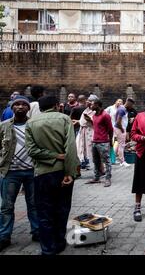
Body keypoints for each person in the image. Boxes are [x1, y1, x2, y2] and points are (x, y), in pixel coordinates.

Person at [25, 95, 79, 255]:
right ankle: (60, 242)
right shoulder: (64, 119)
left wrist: (50, 155)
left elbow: (32, 151)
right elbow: (70, 148)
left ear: (40, 108)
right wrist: (69, 172)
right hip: (62, 171)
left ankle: (47, 248)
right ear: (56, 105)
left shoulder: (31, 123)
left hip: (42, 173)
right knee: (62, 209)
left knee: (44, 211)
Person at [0, 95, 39, 252]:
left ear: (28, 108)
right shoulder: (3, 126)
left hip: (32, 171)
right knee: (7, 207)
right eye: (17, 104)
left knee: (34, 205)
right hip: (11, 172)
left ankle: (37, 232)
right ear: (12, 108)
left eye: (24, 104)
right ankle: (4, 236)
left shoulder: (35, 125)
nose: (20, 107)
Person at [87, 99, 114, 187]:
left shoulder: (105, 115)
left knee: (107, 161)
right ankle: (96, 177)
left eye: (92, 104)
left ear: (97, 105)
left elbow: (110, 129)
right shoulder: (94, 115)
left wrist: (110, 141)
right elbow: (96, 126)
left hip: (103, 142)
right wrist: (89, 120)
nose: (91, 106)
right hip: (95, 141)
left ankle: (108, 178)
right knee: (96, 161)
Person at [76, 95, 97, 170]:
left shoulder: (95, 111)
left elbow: (94, 122)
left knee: (91, 150)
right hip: (83, 131)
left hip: (90, 132)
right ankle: (84, 163)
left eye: (89, 101)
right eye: (87, 100)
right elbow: (83, 121)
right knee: (80, 148)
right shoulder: (86, 110)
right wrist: (78, 121)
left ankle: (98, 169)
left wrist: (89, 119)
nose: (87, 101)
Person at [114, 102, 129, 168]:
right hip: (120, 129)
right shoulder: (122, 110)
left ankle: (115, 158)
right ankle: (122, 161)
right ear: (129, 103)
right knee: (121, 145)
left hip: (119, 128)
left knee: (118, 144)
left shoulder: (121, 108)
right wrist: (122, 129)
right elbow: (118, 121)